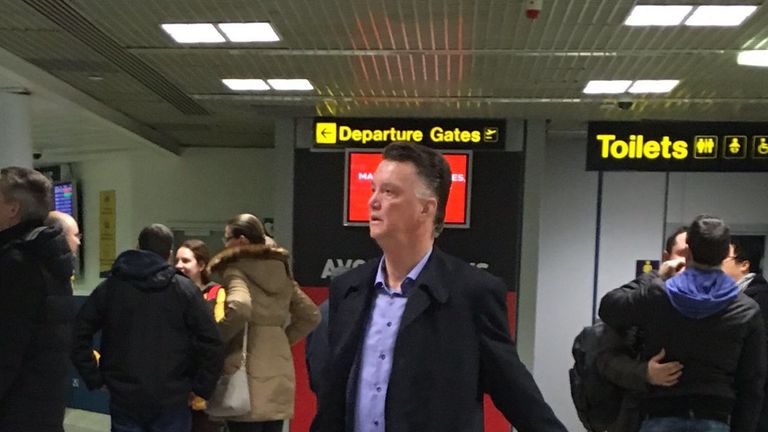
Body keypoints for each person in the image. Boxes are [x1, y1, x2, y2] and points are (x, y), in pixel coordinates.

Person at [316, 142, 566, 432]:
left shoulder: (471, 293)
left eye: (389, 192)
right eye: (373, 189)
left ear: (426, 208)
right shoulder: (349, 289)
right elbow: (330, 395)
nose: (373, 201)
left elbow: (514, 390)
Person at [599, 215, 766, 432]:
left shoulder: (658, 295)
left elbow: (609, 308)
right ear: (726, 254)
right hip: (715, 419)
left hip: (659, 416)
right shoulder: (746, 309)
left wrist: (654, 276)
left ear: (688, 250)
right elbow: (752, 383)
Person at [71, 224, 223, 432]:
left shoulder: (111, 288)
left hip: (124, 397)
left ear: (138, 246)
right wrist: (201, 388)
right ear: (169, 254)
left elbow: (78, 335)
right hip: (173, 398)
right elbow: (212, 342)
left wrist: (95, 378)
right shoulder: (184, 290)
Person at [208, 213, 320, 432]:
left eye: (227, 237)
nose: (225, 244)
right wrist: (281, 338)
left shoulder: (235, 269)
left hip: (246, 377)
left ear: (241, 240)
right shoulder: (281, 270)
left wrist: (219, 337)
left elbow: (240, 307)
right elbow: (311, 315)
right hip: (279, 375)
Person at [0, 166, 75, 432]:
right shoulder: (48, 259)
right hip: (42, 409)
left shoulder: (15, 263)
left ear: (13, 209)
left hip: (14, 412)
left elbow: (7, 347)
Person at [597, 227, 689, 432]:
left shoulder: (718, 301)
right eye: (682, 254)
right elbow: (606, 359)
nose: (688, 262)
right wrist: (644, 373)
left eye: (694, 256)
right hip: (639, 415)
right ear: (667, 257)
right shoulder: (641, 299)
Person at [176, 239, 227, 432]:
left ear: (202, 265)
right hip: (176, 384)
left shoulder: (216, 293)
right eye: (177, 260)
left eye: (186, 261)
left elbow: (218, 335)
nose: (179, 265)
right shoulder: (171, 292)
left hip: (204, 386)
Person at [721, 238, 768, 430]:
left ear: (744, 265)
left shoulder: (759, 298)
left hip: (757, 396)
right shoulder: (733, 296)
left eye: (724, 259)